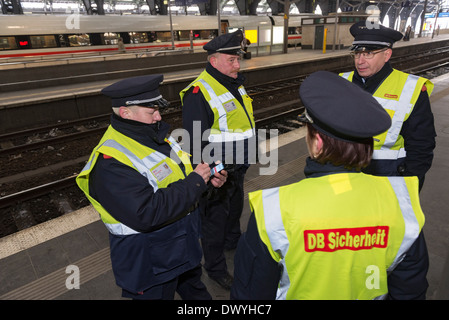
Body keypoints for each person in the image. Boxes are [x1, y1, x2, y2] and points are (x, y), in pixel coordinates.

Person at [231, 71, 429, 300]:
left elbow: (250, 295)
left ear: (318, 142)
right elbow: (410, 290)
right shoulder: (402, 204)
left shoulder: (273, 209)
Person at [76, 74, 227, 300]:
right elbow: (146, 212)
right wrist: (196, 181)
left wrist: (207, 179)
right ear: (125, 112)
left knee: (197, 293)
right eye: (151, 111)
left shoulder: (154, 135)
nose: (158, 116)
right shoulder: (110, 162)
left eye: (158, 109)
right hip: (150, 263)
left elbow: (180, 174)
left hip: (182, 248)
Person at [180, 30, 256, 290]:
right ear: (214, 61)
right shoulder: (199, 92)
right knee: (213, 222)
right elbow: (193, 140)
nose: (238, 65)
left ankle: (232, 242)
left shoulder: (233, 83)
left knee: (234, 210)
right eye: (232, 60)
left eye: (238, 59)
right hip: (218, 173)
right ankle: (215, 268)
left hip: (238, 166)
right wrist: (211, 173)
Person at [340, 20, 436, 191]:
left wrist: (407, 183)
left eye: (368, 53)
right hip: (344, 178)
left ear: (387, 55)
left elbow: (421, 146)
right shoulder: (341, 82)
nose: (360, 61)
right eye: (356, 54)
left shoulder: (410, 89)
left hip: (388, 181)